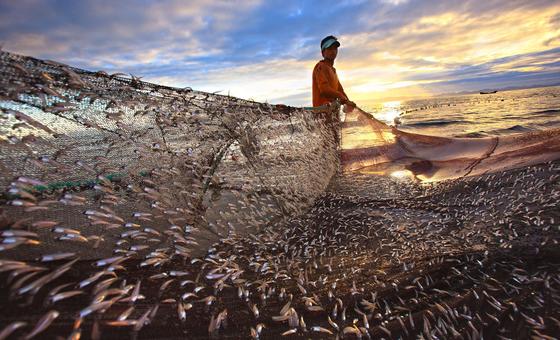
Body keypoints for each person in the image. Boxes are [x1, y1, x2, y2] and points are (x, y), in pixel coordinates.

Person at [312, 35, 356, 114]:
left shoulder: (333, 71)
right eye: (329, 48)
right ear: (323, 53)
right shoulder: (320, 67)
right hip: (321, 116)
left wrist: (348, 101)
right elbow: (324, 89)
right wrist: (341, 97)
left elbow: (340, 90)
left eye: (335, 48)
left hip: (333, 116)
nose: (333, 51)